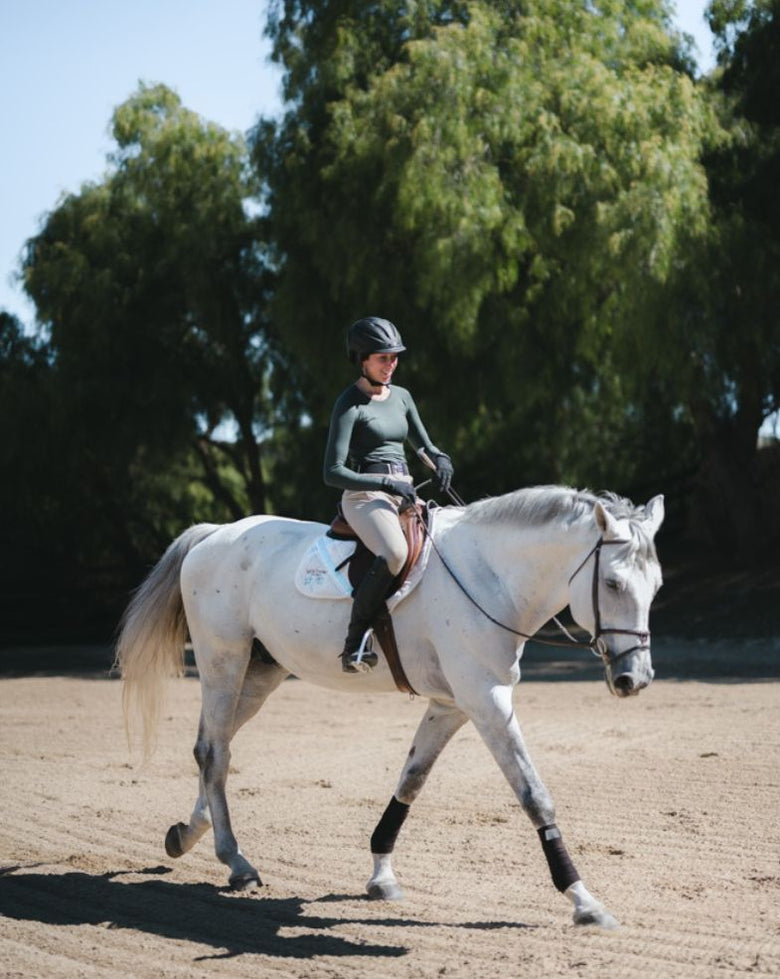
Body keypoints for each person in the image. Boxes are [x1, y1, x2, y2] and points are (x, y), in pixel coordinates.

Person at [324, 316, 454, 674]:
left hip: (405, 490)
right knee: (395, 552)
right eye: (383, 358)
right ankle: (354, 644)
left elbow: (423, 446)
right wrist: (385, 484)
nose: (391, 364)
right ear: (362, 359)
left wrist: (440, 460)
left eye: (394, 357)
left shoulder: (403, 397)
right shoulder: (349, 404)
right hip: (365, 496)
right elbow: (332, 472)